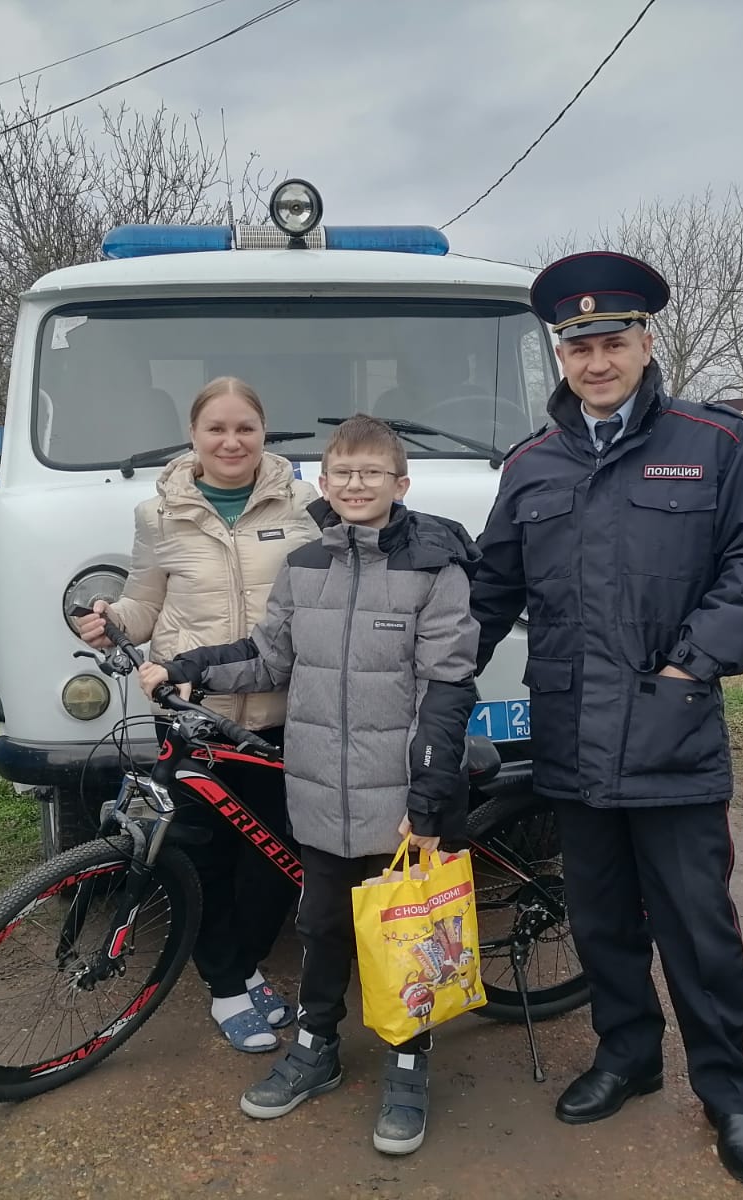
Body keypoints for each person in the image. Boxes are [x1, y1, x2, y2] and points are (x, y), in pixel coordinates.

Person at [470, 252, 743, 1188]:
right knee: (600, 917)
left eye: (613, 342)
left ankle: (731, 1096)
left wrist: (691, 665)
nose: (597, 361)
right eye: (579, 347)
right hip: (571, 736)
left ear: (646, 343)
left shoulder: (717, 443)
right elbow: (490, 591)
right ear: (560, 357)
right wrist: (427, 670)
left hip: (670, 734)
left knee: (699, 927)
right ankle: (626, 1056)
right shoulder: (530, 466)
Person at [135, 414, 480, 1158]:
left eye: (372, 473)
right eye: (343, 473)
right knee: (322, 927)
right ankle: (317, 1045)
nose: (356, 485)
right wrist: (191, 668)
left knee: (407, 936)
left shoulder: (436, 569)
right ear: (322, 482)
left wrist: (427, 797)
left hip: (404, 795)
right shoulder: (305, 564)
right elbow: (269, 658)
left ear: (400, 483)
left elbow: (448, 685)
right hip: (321, 788)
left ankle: (408, 1063)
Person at [76, 376, 319, 1054]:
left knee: (277, 856)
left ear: (263, 433)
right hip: (190, 713)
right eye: (217, 428)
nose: (231, 441)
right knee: (201, 853)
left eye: (245, 428)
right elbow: (145, 605)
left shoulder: (306, 505)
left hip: (282, 709)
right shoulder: (158, 515)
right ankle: (227, 985)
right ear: (194, 435)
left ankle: (244, 964)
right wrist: (109, 619)